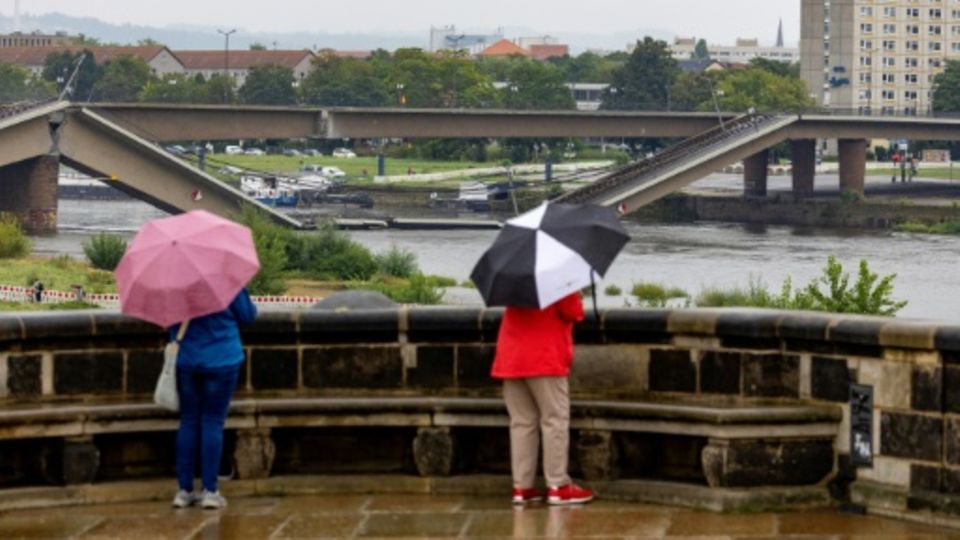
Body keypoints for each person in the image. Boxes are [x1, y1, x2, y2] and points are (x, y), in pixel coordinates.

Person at [492, 292, 594, 506]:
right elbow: (572, 312)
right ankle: (558, 485)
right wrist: (578, 294)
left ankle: (522, 487)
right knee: (554, 420)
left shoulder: (517, 275)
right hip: (544, 356)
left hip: (511, 354)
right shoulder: (557, 276)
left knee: (522, 422)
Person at [171, 288, 257, 510]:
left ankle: (184, 491)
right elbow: (248, 315)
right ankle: (210, 490)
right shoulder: (226, 280)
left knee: (188, 420)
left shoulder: (176, 282)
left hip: (188, 359)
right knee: (212, 421)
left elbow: (168, 319)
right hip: (222, 359)